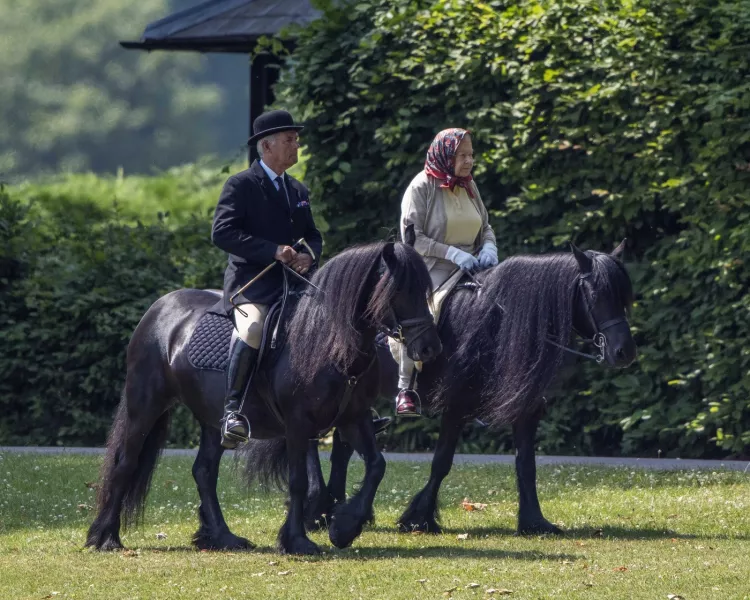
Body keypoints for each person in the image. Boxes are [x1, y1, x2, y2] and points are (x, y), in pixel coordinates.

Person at [211, 109, 323, 448]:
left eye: (296, 140)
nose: (296, 146)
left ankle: (343, 408)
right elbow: (222, 233)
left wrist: (309, 255)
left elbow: (313, 235)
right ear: (267, 146)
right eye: (290, 141)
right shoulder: (241, 185)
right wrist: (271, 250)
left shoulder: (297, 189)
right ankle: (233, 410)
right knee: (253, 328)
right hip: (252, 283)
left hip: (293, 282)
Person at [393, 128, 498, 417]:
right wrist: (451, 253)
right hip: (431, 268)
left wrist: (489, 247)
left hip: (474, 264)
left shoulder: (469, 186)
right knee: (428, 314)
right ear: (445, 155)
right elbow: (413, 238)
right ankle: (407, 388)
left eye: (471, 155)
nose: (469, 161)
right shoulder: (421, 186)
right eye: (462, 155)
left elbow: (485, 226)